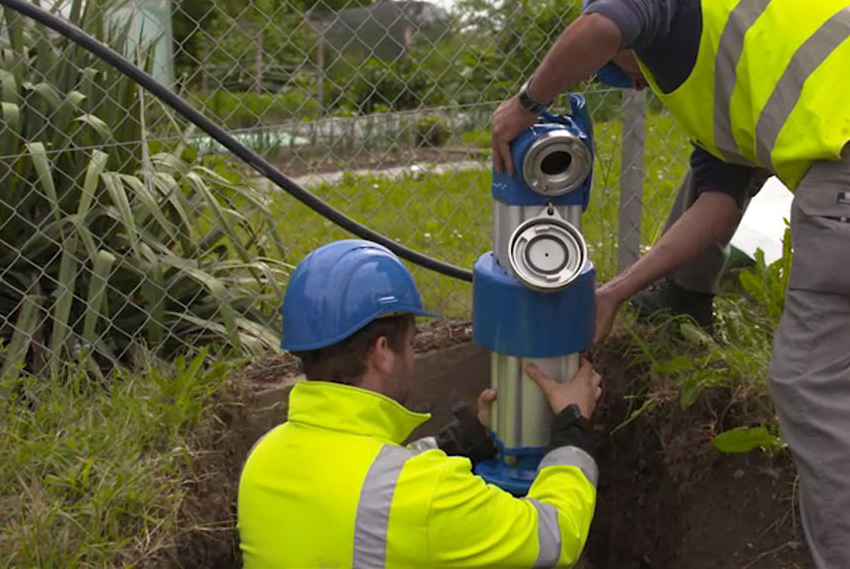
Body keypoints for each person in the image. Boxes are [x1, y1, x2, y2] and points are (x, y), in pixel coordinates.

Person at [490, 0, 850, 568]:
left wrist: (524, 107)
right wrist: (614, 293)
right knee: (801, 358)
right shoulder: (725, 87)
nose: (632, 82)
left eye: (619, 70)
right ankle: (681, 302)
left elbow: (600, 29)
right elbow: (715, 208)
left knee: (810, 377)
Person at [237, 239, 602, 568]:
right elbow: (554, 534)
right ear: (382, 353)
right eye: (412, 344)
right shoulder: (423, 495)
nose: (412, 357)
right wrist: (573, 428)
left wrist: (461, 442)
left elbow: (365, 484)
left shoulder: (263, 458)